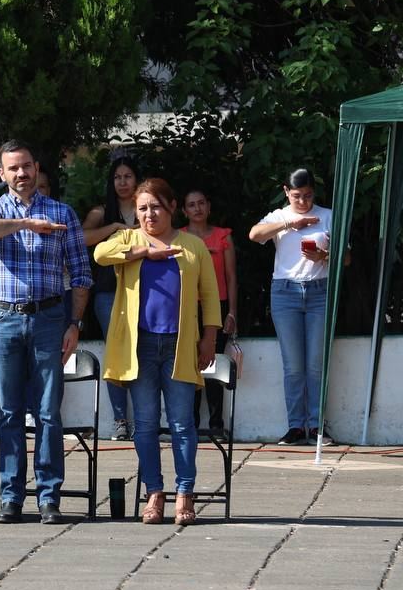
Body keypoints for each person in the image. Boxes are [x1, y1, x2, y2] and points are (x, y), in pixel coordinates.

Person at [0, 140, 92, 525]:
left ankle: (49, 496)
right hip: (3, 320)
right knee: (8, 413)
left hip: (49, 320)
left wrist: (75, 323)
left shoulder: (63, 213)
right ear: (1, 174)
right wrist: (24, 223)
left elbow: (82, 273)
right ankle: (11, 496)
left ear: (36, 168)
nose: (21, 174)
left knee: (48, 412)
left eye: (26, 166)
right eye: (13, 169)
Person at [95, 178, 220, 526]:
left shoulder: (192, 246)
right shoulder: (129, 239)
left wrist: (209, 338)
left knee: (182, 423)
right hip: (141, 347)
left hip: (179, 345)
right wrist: (144, 252)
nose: (150, 214)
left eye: (156, 206)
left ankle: (185, 492)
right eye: (142, 208)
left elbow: (210, 297)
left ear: (172, 207)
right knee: (146, 424)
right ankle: (155, 492)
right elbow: (100, 254)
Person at [249, 168, 335, 447]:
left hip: (319, 291)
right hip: (285, 292)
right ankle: (296, 426)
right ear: (286, 191)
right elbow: (254, 234)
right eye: (297, 196)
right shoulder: (280, 215)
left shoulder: (327, 215)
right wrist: (289, 225)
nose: (303, 202)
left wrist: (322, 256)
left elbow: (345, 258)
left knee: (315, 364)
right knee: (293, 365)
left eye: (308, 196)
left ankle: (318, 426)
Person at [83, 156, 142, 440]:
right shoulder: (102, 211)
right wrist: (115, 229)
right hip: (108, 292)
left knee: (144, 352)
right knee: (116, 354)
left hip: (144, 290)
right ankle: (121, 420)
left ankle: (145, 418)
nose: (122, 182)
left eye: (128, 176)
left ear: (138, 180)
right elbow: (82, 238)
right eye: (117, 177)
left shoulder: (148, 210)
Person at [181, 187, 238, 431]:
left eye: (201, 203)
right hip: (188, 307)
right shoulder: (179, 237)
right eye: (191, 205)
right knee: (188, 365)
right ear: (183, 211)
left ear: (209, 206)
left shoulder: (223, 236)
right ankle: (189, 423)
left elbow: (231, 277)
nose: (197, 208)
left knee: (213, 365)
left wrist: (232, 312)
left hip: (218, 305)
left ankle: (216, 424)